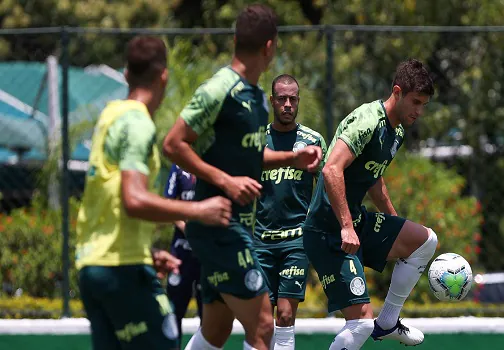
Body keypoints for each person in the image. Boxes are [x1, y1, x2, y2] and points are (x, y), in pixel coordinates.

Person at [162, 5, 322, 350]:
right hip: (220, 227)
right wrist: (226, 181)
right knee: (264, 327)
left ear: (236, 40)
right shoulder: (221, 89)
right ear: (270, 46)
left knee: (215, 330)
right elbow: (174, 144)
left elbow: (247, 157)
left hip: (234, 227)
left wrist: (292, 157)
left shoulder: (255, 98)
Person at [76, 36, 232, 350]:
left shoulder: (110, 116)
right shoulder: (138, 124)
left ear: (125, 74)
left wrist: (146, 254)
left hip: (92, 266)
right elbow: (133, 199)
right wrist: (199, 211)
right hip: (121, 270)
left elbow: (110, 199)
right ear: (164, 76)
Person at [303, 58, 438, 349]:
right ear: (397, 92)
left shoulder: (397, 132)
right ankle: (376, 324)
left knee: (425, 240)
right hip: (327, 231)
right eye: (415, 102)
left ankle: (388, 322)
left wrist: (396, 224)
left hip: (356, 221)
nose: (419, 111)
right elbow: (331, 169)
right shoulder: (367, 121)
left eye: (424, 105)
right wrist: (346, 228)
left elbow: (373, 179)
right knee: (361, 324)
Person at [254, 74, 326, 350]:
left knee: (285, 314)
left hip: (296, 241)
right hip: (260, 241)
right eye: (281, 99)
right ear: (272, 100)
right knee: (261, 321)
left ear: (298, 101)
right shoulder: (258, 139)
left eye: (292, 99)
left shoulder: (313, 140)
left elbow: (330, 182)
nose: (287, 104)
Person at [164, 164, 203, 343]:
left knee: (209, 313)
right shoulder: (178, 169)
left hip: (207, 254)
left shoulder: (212, 163)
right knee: (175, 310)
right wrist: (187, 228)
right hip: (181, 254)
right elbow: (168, 203)